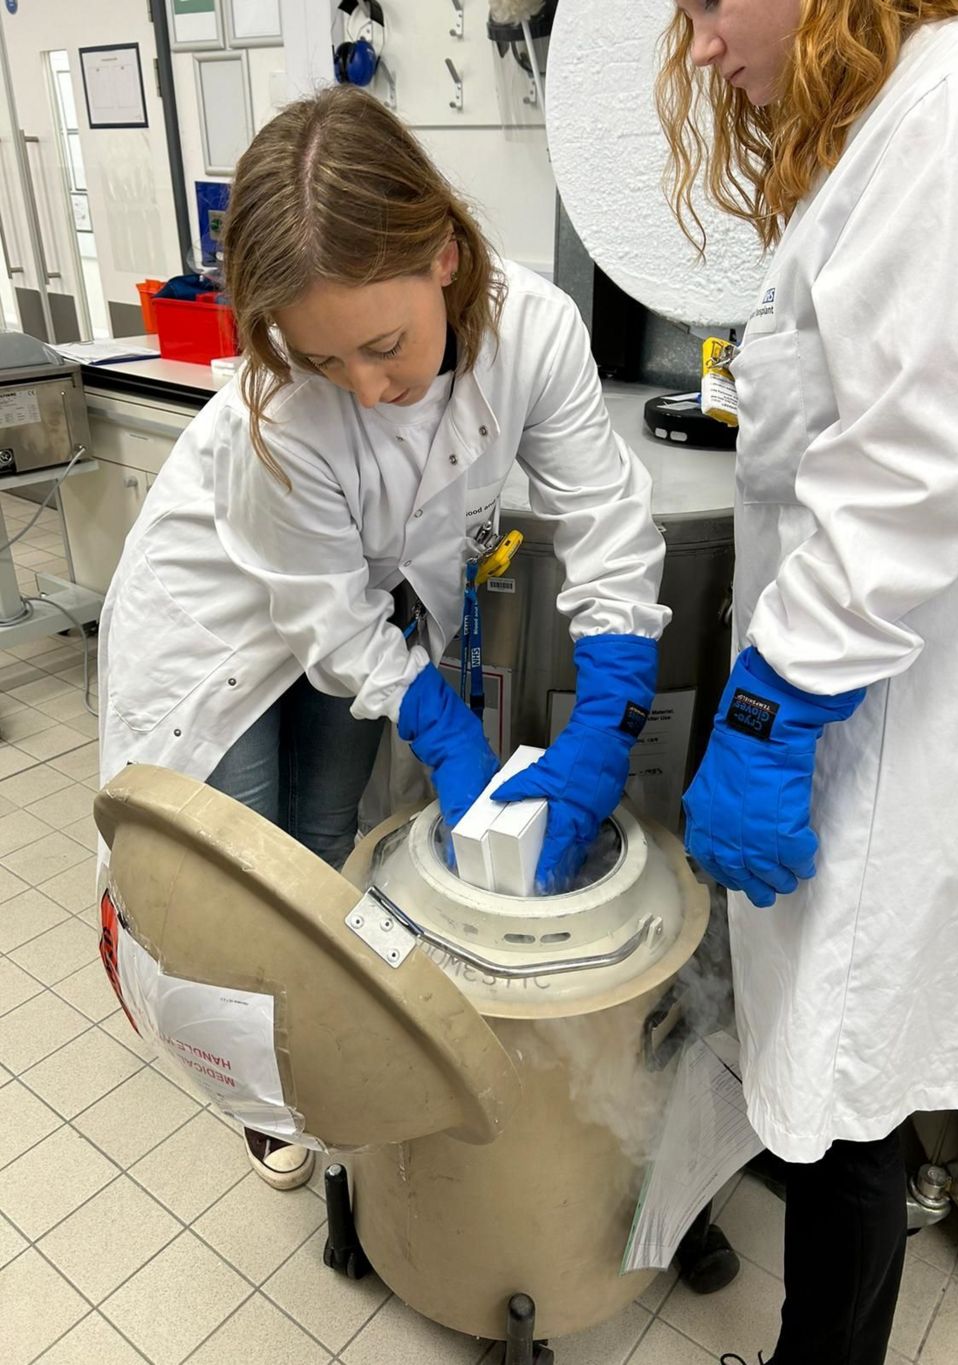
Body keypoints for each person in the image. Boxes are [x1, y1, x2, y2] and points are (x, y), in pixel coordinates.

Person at [97, 86, 670, 1190]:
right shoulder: (283, 410)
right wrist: (451, 741)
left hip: (360, 596)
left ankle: (319, 1050)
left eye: (383, 345)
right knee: (244, 866)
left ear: (445, 255)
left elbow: (604, 519)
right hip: (219, 623)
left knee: (329, 826)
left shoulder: (536, 332)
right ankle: (262, 1098)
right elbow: (320, 614)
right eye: (324, 363)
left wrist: (609, 716)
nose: (365, 388)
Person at [657, 2, 958, 1363]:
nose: (696, 50)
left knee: (852, 1111)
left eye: (705, 2)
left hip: (882, 747)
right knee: (836, 1107)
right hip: (851, 727)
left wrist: (771, 710)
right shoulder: (896, 125)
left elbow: (925, 462)